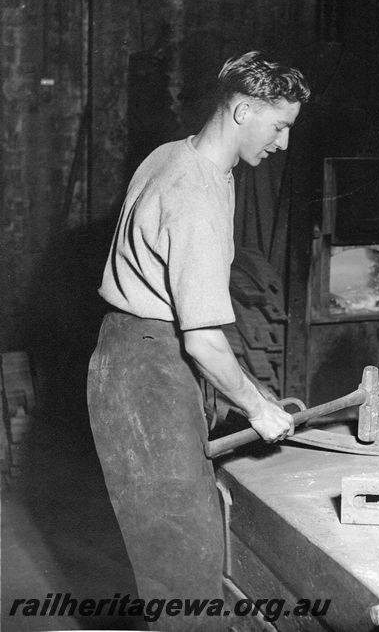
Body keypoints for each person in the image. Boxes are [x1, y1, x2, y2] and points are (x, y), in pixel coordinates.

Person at [87, 50, 311, 630]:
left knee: (188, 554)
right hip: (146, 376)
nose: (283, 143)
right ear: (241, 111)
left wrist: (247, 390)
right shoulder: (199, 195)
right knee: (183, 575)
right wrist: (257, 406)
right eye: (279, 126)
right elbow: (203, 342)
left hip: (135, 356)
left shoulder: (177, 156)